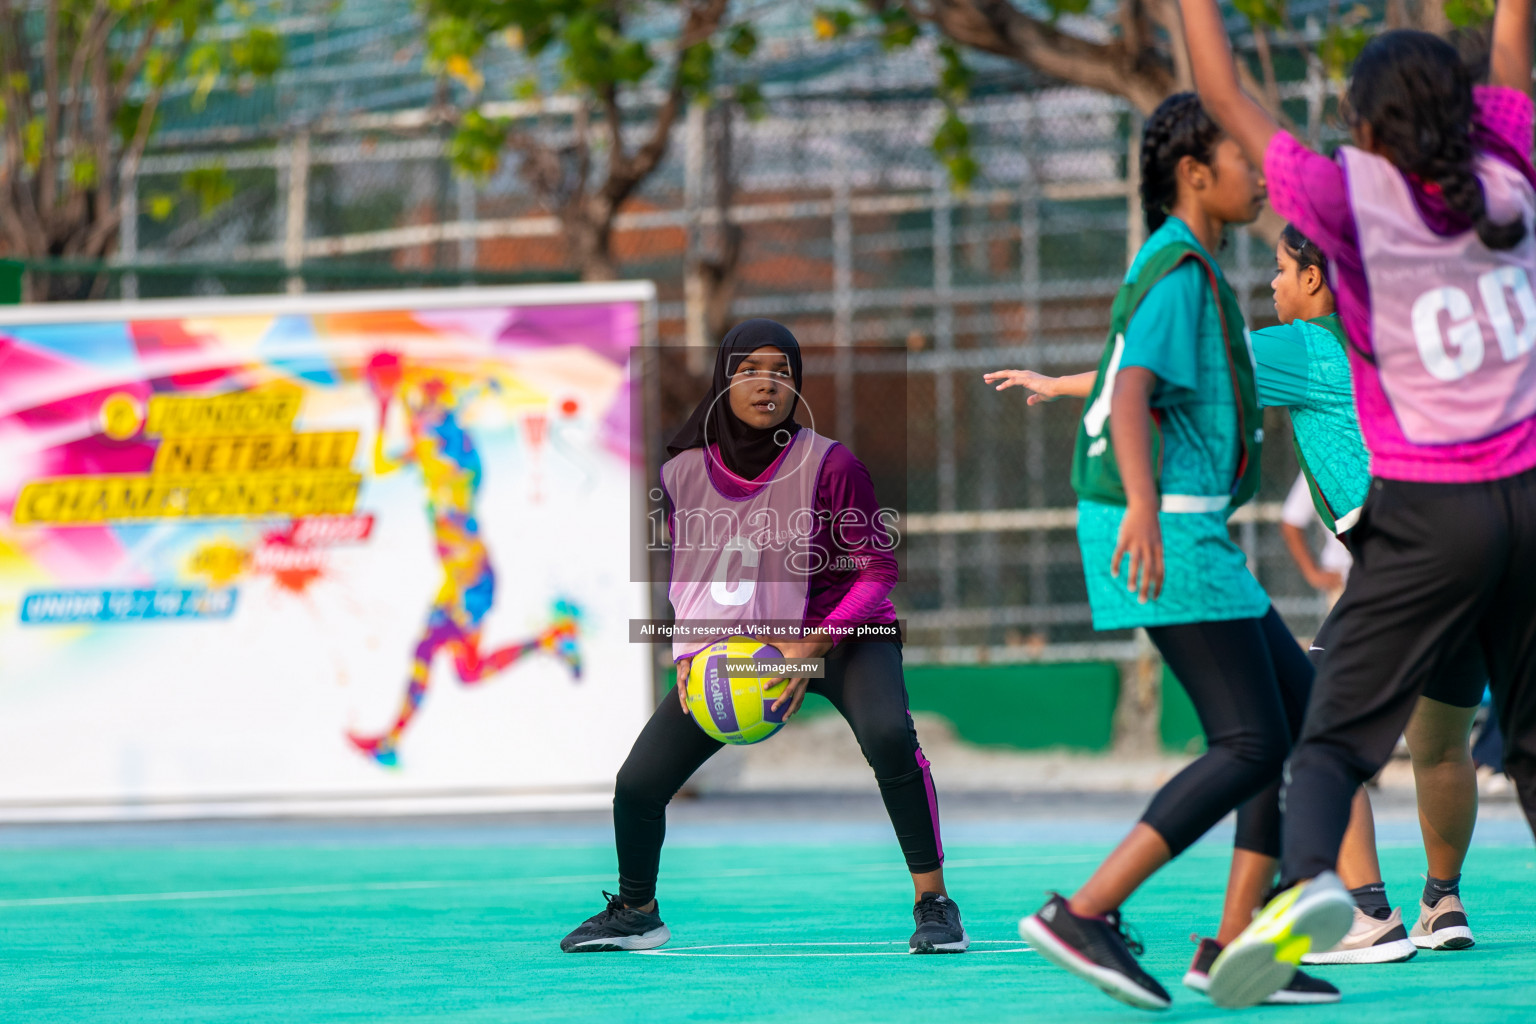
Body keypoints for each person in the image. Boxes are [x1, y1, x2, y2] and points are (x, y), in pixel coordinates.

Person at [1180, 0, 1536, 1006]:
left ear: (1369, 128)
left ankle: (1320, 901)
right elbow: (1513, 50)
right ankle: (1420, 896)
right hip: (1531, 503)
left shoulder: (1348, 210)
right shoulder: (1508, 168)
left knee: (1327, 729)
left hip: (1438, 513)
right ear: (1470, 113)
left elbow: (1222, 95)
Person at [990, 93, 1336, 1010]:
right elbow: (1133, 389)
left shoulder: (1195, 271)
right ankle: (1086, 911)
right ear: (1193, 172)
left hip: (1188, 530)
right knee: (1254, 739)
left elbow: (1122, 382)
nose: (1260, 173)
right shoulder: (1181, 269)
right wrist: (1143, 505)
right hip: (1165, 530)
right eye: (1241, 156)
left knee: (1298, 717)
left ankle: (1232, 946)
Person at [559, 319, 967, 955]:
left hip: (848, 632)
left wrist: (810, 650)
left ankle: (934, 903)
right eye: (749, 370)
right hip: (746, 648)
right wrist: (690, 661)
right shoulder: (684, 474)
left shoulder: (833, 464)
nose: (766, 383)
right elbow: (690, 581)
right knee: (638, 783)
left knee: (890, 737)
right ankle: (637, 911)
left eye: (781, 371)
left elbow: (878, 570)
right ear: (725, 382)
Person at [1254, 226, 1482, 963]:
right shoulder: (1409, 340)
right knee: (1442, 748)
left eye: (1281, 271)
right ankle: (1442, 902)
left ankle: (1366, 914)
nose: (1273, 286)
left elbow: (1183, 372)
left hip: (1402, 562)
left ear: (1317, 278)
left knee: (1320, 721)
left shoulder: (1305, 346)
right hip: (1475, 553)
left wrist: (1070, 387)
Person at [348, 352, 581, 766]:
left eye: (429, 406)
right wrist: (392, 404)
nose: (421, 411)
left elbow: (402, 450)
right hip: (465, 578)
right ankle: (552, 639)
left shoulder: (447, 454)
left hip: (468, 579)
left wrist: (394, 402)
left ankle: (391, 740)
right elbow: (388, 460)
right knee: (464, 668)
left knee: (431, 652)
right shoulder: (441, 448)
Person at [1280, 473, 1350, 606]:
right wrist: (1312, 574)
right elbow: (1291, 523)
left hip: (1389, 574)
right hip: (1344, 580)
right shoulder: (1319, 462)